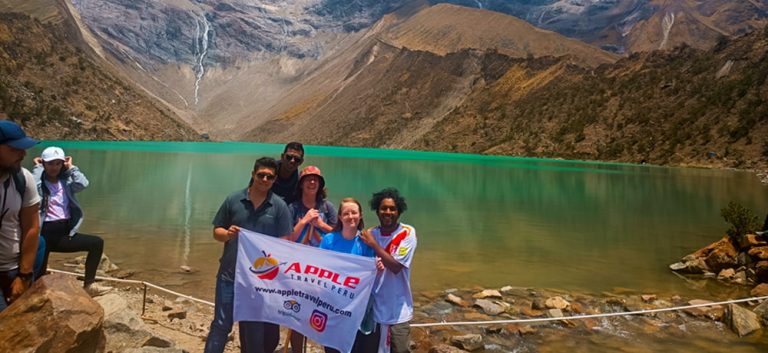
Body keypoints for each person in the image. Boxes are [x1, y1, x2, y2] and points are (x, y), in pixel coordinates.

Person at [205, 157, 293, 353]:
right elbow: (216, 231)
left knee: (254, 330)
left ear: (275, 179)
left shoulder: (279, 207)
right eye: (260, 175)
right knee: (221, 325)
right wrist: (228, 234)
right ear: (253, 174)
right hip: (229, 276)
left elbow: (285, 243)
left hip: (259, 282)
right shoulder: (233, 200)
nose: (264, 179)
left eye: (269, 177)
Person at [32, 146, 110, 296]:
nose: (54, 167)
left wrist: (72, 168)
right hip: (43, 234)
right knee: (38, 278)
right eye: (50, 163)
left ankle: (89, 285)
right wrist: (37, 168)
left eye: (58, 163)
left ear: (62, 164)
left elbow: (83, 183)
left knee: (96, 243)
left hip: (64, 234)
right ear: (43, 164)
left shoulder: (66, 183)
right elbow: (33, 187)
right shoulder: (40, 184)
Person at [359, 188, 417, 353]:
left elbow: (396, 267)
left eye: (392, 209)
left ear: (399, 211)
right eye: (384, 208)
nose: (388, 212)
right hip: (374, 311)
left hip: (399, 311)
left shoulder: (407, 233)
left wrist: (374, 245)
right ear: (377, 210)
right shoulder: (370, 234)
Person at [287, 165, 337, 353]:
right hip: (298, 268)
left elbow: (339, 236)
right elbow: (287, 238)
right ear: (301, 184)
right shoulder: (292, 208)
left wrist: (322, 224)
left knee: (322, 312)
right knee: (298, 313)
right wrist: (303, 221)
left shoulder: (327, 207)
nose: (312, 182)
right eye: (308, 179)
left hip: (322, 268)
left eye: (316, 179)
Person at [319, 198, 375, 353]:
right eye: (346, 213)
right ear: (340, 217)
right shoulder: (329, 240)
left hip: (356, 308)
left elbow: (371, 272)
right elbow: (319, 269)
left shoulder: (365, 242)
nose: (351, 216)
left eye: (354, 213)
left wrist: (379, 267)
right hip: (332, 305)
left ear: (361, 215)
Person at [0, 120, 41, 307]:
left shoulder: (23, 179)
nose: (23, 154)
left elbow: (32, 227)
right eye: (15, 149)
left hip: (14, 268)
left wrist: (23, 275)